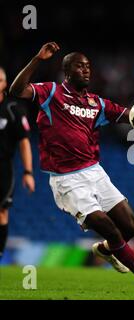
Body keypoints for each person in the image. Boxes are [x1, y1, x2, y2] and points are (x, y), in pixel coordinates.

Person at [9, 43, 134, 294]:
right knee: (109, 228)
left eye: (88, 66)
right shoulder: (51, 93)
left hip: (95, 172)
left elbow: (130, 115)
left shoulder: (96, 103)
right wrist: (37, 59)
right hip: (67, 180)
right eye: (80, 66)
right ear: (67, 72)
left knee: (130, 227)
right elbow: (16, 90)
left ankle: (104, 250)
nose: (86, 70)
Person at [0, 67, 35, 262]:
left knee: (2, 212)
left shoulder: (13, 109)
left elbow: (24, 142)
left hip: (3, 168)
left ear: (5, 84)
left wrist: (28, 172)